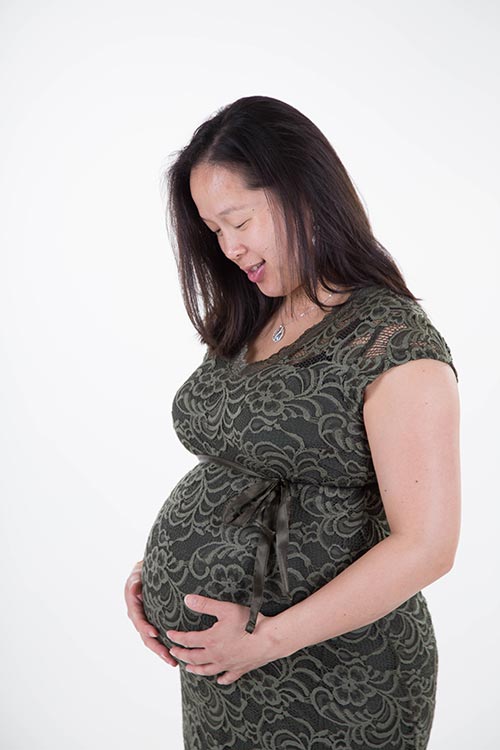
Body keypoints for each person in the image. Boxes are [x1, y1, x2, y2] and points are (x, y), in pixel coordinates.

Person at [124, 95, 461, 749]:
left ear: (301, 191)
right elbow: (246, 471)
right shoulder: (254, 318)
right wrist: (162, 577)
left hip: (339, 683)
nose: (228, 247)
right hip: (226, 673)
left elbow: (429, 546)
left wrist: (265, 637)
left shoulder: (391, 342)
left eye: (237, 220)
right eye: (213, 230)